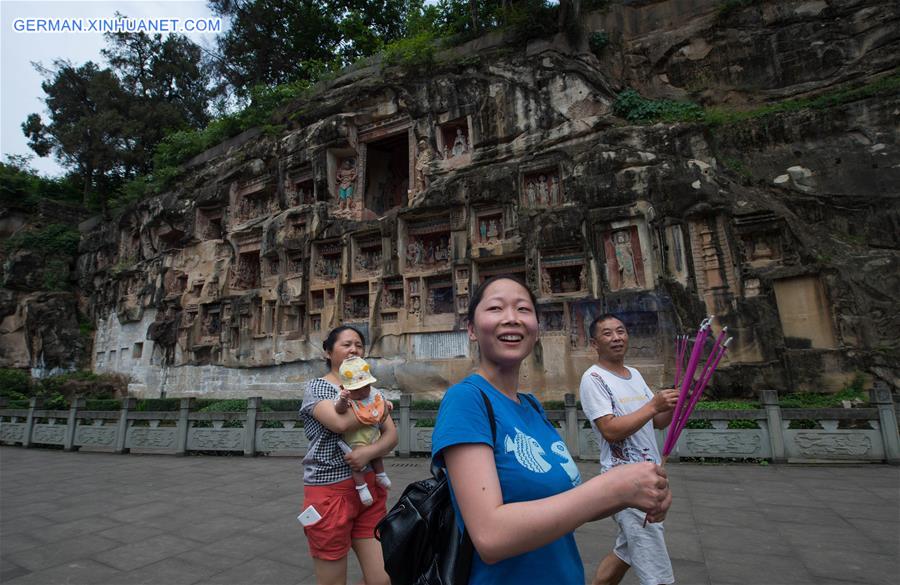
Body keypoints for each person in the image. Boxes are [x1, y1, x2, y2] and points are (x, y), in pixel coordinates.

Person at [431, 275, 672, 585]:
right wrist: (611, 487)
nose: (511, 319)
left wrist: (632, 492)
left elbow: (567, 503)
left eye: (523, 309)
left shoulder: (531, 407)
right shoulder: (466, 400)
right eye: (495, 308)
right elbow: (490, 537)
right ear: (472, 329)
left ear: (536, 327)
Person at [579, 314, 679, 585]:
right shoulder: (594, 378)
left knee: (626, 552)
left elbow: (657, 422)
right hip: (626, 482)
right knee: (655, 568)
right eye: (608, 333)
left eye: (621, 331)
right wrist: (653, 405)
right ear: (594, 343)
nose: (617, 338)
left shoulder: (634, 374)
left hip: (650, 475)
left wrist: (673, 405)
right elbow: (610, 430)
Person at [299, 325, 398, 585]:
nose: (354, 349)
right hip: (330, 491)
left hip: (369, 491)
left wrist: (369, 452)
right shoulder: (318, 388)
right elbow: (339, 423)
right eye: (346, 344)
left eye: (359, 345)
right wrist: (378, 407)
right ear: (328, 352)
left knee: (383, 578)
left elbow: (391, 436)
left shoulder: (371, 389)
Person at [333, 356, 392, 506]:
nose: (362, 392)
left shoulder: (373, 393)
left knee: (376, 455)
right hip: (357, 438)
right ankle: (361, 487)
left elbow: (381, 403)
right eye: (356, 389)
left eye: (365, 387)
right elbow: (338, 410)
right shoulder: (346, 397)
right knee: (357, 463)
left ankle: (381, 474)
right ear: (345, 388)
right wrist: (343, 400)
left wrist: (387, 405)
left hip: (373, 433)